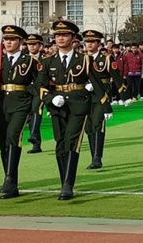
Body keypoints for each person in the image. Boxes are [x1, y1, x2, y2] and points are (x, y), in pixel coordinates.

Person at [36, 20, 106, 200]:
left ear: (73, 38)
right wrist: (50, 99)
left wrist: (105, 106)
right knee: (60, 143)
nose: (60, 38)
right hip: (58, 106)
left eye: (65, 35)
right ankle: (64, 181)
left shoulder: (84, 59)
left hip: (79, 104)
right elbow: (40, 86)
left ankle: (68, 184)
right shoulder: (47, 61)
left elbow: (97, 83)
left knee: (71, 141)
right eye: (57, 35)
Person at [0, 25, 39, 199]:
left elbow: (38, 84)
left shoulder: (30, 61)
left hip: (21, 103)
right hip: (1, 104)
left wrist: (34, 106)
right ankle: (11, 182)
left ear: (20, 41)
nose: (8, 42)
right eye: (6, 39)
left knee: (13, 136)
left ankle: (9, 178)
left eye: (12, 39)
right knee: (3, 142)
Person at [83, 30, 128, 170]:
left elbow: (116, 77)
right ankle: (93, 156)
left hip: (101, 95)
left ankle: (97, 157)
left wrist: (124, 96)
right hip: (84, 96)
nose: (89, 44)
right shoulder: (81, 59)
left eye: (92, 42)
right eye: (87, 41)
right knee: (88, 128)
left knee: (98, 125)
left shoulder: (106, 58)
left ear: (98, 44)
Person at [25, 34, 46, 154]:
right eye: (29, 44)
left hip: (42, 90)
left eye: (34, 44)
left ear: (40, 45)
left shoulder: (46, 58)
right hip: (27, 90)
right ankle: (36, 144)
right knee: (30, 115)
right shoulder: (24, 58)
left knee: (36, 110)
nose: (32, 46)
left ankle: (33, 135)